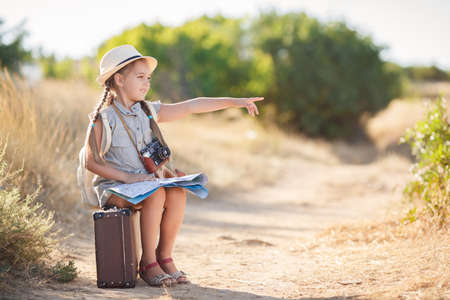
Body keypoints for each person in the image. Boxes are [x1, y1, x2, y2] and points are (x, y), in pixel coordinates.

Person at [84, 44, 264, 287]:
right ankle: (147, 263)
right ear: (118, 79)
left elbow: (190, 106)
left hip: (145, 184)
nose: (146, 83)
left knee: (177, 192)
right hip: (116, 188)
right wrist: (129, 178)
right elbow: (90, 162)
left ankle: (163, 257)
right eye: (140, 77)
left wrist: (234, 102)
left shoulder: (147, 110)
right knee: (156, 193)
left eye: (148, 78)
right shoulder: (104, 119)